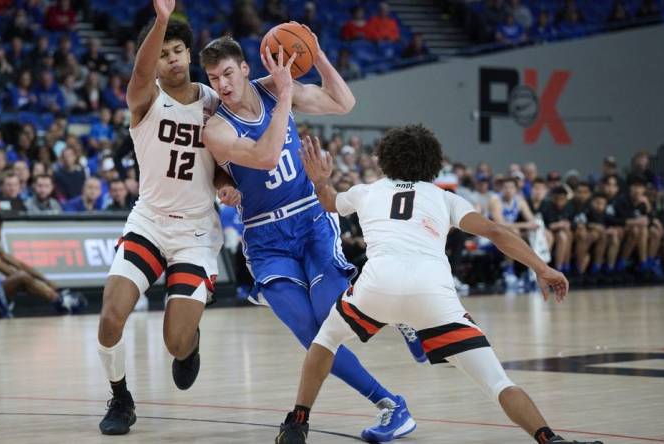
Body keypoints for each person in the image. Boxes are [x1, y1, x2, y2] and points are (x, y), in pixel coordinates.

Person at [274, 126, 601, 444]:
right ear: (433, 163)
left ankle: (298, 422)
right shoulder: (445, 198)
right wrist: (542, 268)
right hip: (432, 295)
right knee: (497, 381)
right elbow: (498, 233)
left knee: (326, 340)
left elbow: (330, 201)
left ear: (384, 159)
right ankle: (549, 439)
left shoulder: (367, 191)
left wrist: (319, 180)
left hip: (378, 287)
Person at [200, 33, 418, 441]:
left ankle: (396, 311)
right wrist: (284, 96)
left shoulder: (273, 89)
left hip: (310, 219)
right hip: (265, 237)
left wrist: (317, 55)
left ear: (245, 68)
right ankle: (392, 405)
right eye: (213, 79)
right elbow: (264, 157)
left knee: (331, 320)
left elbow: (344, 103)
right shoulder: (216, 126)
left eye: (228, 73)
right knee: (313, 335)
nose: (222, 85)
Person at [96, 2, 240, 436]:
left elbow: (217, 161)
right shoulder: (145, 98)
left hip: (196, 232)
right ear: (152, 61)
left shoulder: (216, 104)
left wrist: (224, 180)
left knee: (174, 342)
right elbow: (139, 75)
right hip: (150, 222)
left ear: (189, 54)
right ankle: (120, 397)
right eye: (163, 52)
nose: (172, 58)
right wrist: (160, 22)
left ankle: (190, 343)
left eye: (177, 49)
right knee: (110, 317)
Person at [0, 213, 86, 317]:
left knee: (23, 277)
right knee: (21, 277)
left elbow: (20, 264)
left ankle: (58, 299)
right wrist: (37, 284)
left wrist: (46, 281)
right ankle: (59, 300)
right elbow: (11, 272)